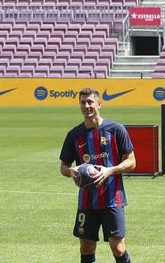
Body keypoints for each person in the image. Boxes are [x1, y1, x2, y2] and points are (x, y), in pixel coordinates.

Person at [59, 88, 136, 263]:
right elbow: (63, 166)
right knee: (86, 246)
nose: (86, 106)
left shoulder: (116, 129)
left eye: (90, 102)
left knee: (118, 247)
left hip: (113, 199)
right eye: (83, 103)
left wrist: (109, 170)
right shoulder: (74, 135)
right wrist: (72, 171)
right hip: (86, 201)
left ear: (99, 104)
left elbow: (131, 162)